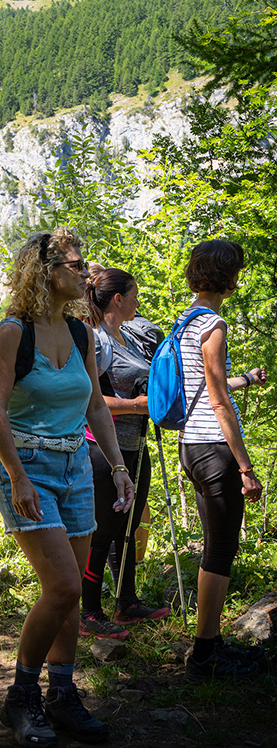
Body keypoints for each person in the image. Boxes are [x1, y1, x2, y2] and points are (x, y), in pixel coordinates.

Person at [0, 230, 135, 747]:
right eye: (76, 265)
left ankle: (62, 694)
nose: (85, 272)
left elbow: (95, 405)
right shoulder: (12, 331)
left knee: (68, 595)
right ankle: (21, 696)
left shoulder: (80, 333)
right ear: (45, 271)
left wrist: (116, 465)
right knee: (66, 586)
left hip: (75, 466)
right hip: (25, 467)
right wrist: (19, 475)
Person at [177, 240, 266, 680]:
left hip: (190, 446)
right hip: (214, 448)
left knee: (216, 545)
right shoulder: (212, 324)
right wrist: (246, 467)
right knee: (220, 549)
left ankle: (207, 642)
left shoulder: (184, 321)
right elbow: (218, 399)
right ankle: (204, 655)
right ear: (229, 276)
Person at [81, 267, 170, 639]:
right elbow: (90, 398)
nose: (138, 300)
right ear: (117, 299)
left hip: (135, 445)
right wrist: (137, 405)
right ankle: (88, 610)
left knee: (128, 526)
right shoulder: (96, 341)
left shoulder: (130, 336)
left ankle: (126, 602)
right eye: (133, 294)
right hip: (102, 448)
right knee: (101, 529)